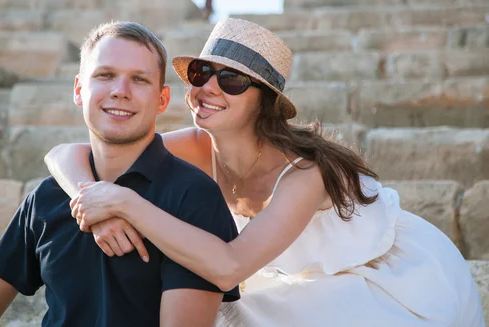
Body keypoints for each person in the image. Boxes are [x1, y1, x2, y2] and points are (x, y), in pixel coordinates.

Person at [45, 18, 485, 326]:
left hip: (383, 278)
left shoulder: (305, 172)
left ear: (264, 101)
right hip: (293, 277)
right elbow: (64, 154)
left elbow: (228, 268)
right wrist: (91, 197)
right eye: (202, 73)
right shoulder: (197, 145)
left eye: (232, 81)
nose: (208, 88)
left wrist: (123, 202)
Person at [0, 21, 240, 327]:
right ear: (78, 90)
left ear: (162, 100)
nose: (120, 92)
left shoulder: (194, 196)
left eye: (139, 80)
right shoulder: (48, 196)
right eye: (105, 75)